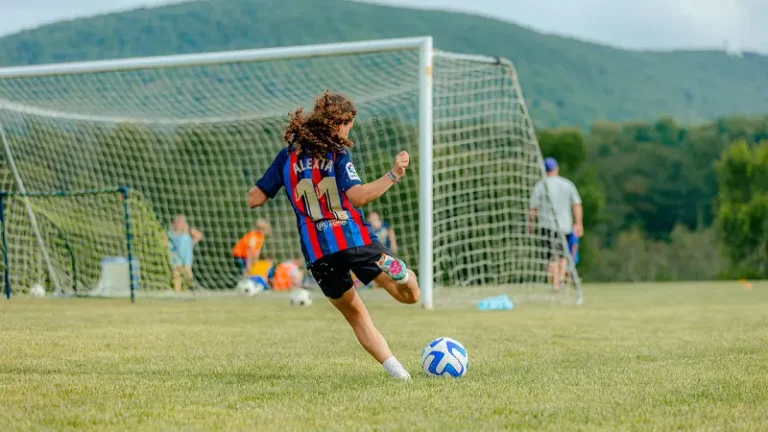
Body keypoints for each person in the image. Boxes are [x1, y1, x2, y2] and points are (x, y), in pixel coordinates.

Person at [247, 90, 420, 380]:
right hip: (353, 239)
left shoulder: (287, 156)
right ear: (338, 123)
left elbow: (254, 199)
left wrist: (276, 184)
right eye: (349, 124)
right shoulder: (338, 154)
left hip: (318, 253)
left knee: (357, 317)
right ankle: (402, 274)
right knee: (408, 295)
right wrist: (393, 175)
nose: (350, 130)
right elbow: (358, 196)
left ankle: (400, 375)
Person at [527, 157, 583, 291]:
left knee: (552, 257)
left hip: (547, 226)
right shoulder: (567, 184)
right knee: (564, 255)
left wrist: (530, 227)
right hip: (565, 226)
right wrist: (578, 223)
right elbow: (577, 205)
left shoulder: (540, 186)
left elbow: (532, 210)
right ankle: (562, 278)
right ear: (556, 168)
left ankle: (556, 284)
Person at [167, 215, 204, 292]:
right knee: (176, 275)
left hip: (186, 258)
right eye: (178, 222)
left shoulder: (188, 231)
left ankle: (191, 289)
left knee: (188, 275)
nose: (180, 224)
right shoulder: (171, 233)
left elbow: (199, 236)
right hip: (176, 258)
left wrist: (191, 243)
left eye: (182, 222)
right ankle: (177, 292)